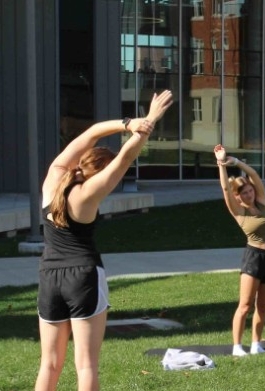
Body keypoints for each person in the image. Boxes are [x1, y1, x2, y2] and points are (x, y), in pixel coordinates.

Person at [35, 90, 174, 391]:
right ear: (99, 171)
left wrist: (127, 123)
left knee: (49, 364)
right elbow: (125, 157)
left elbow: (91, 134)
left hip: (49, 276)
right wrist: (148, 120)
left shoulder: (53, 178)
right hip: (82, 276)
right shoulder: (87, 195)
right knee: (86, 365)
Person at [214, 145, 265, 357]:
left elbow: (253, 175)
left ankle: (256, 344)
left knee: (263, 305)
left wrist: (236, 163)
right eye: (245, 192)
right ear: (238, 196)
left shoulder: (262, 202)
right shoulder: (239, 212)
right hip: (254, 258)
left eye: (250, 190)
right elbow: (225, 189)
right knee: (245, 305)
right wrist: (221, 165)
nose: (250, 193)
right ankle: (237, 347)